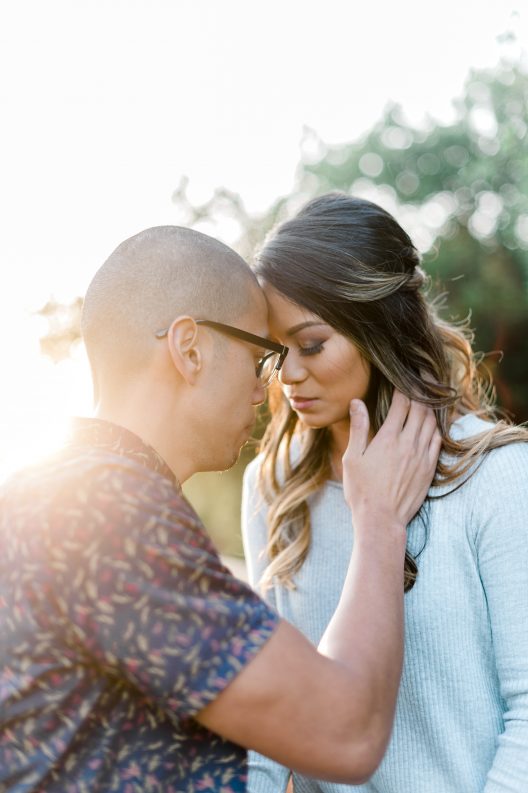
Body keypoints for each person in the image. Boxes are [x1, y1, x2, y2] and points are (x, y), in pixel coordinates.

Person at [0, 225, 440, 793]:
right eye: (261, 356)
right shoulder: (109, 512)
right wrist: (379, 521)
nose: (267, 390)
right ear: (190, 349)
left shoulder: (43, 491)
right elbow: (346, 733)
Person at [241, 192, 528, 793]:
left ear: (378, 325)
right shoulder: (273, 485)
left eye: (312, 344)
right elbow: (268, 736)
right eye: (275, 350)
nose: (288, 374)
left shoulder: (499, 477)